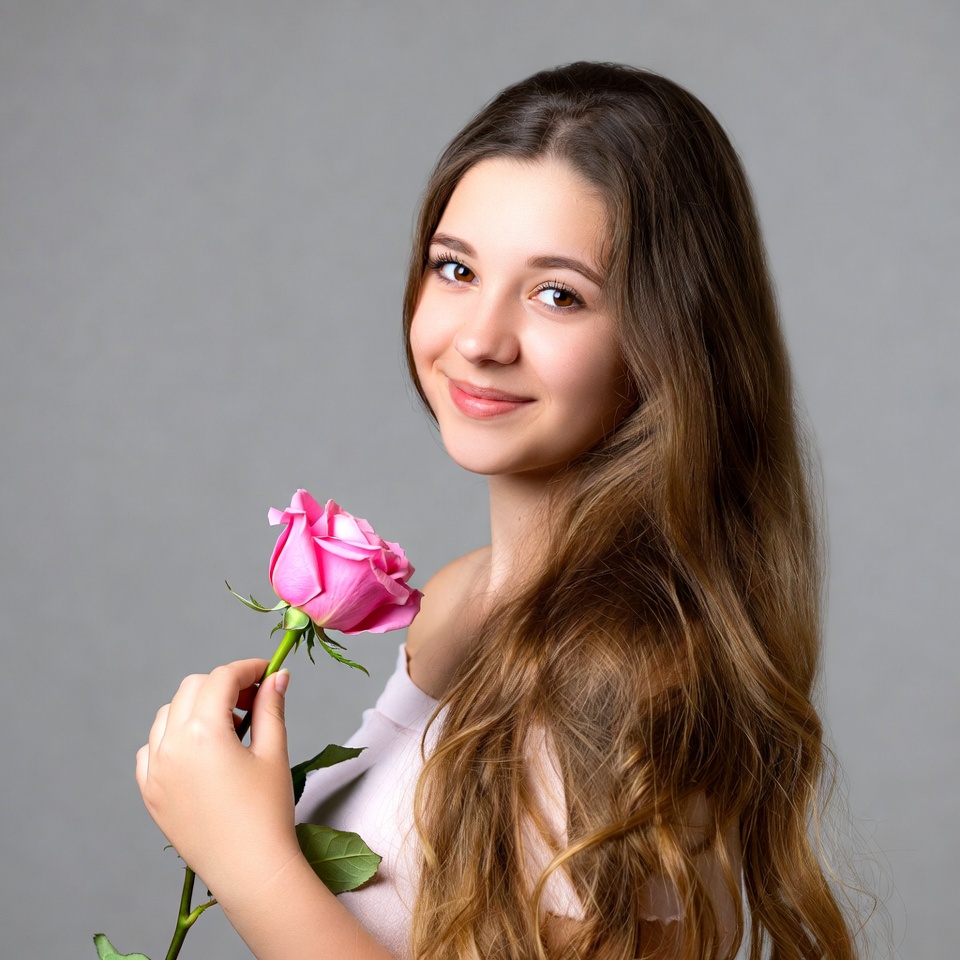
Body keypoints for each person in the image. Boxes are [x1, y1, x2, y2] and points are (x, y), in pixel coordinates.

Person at [136, 62, 861, 960]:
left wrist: (246, 859)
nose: (479, 340)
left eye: (558, 293)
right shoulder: (460, 598)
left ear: (667, 339)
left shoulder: (631, 681)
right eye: (455, 269)